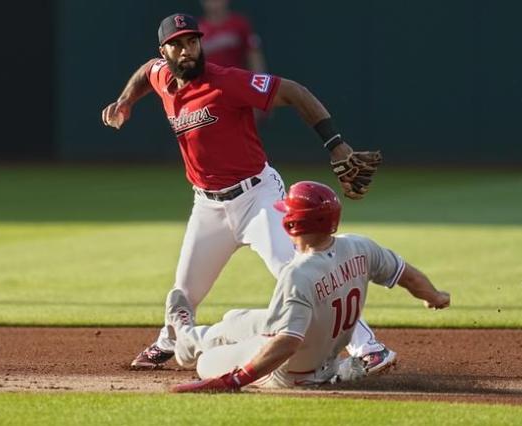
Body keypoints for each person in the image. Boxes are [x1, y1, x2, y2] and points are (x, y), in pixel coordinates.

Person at [101, 13, 388, 372]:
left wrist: (335, 144)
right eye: (177, 44)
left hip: (257, 199)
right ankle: (170, 341)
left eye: (192, 41)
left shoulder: (225, 81)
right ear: (165, 51)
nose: (187, 50)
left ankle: (368, 346)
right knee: (185, 291)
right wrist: (125, 101)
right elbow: (147, 71)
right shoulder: (162, 76)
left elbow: (295, 92)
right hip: (208, 205)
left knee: (297, 271)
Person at [168, 181, 451, 392]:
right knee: (235, 319)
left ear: (292, 223)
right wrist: (434, 296)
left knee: (206, 363)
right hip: (321, 354)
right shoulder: (360, 247)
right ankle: (186, 338)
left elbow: (287, 343)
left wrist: (235, 380)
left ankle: (192, 346)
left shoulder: (297, 274)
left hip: (292, 372)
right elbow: (408, 275)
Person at [198, 0, 266, 72]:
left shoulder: (240, 23)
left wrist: (260, 76)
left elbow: (253, 54)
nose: (214, 4)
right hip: (210, 80)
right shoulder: (198, 28)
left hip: (237, 78)